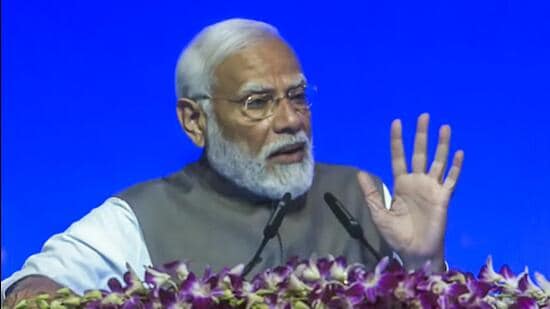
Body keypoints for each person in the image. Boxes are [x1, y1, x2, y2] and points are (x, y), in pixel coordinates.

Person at [1, 18, 464, 306]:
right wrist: (37, 295)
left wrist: (428, 263)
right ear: (194, 121)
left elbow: (428, 295)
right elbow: (30, 284)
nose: (290, 121)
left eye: (298, 97)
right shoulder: (138, 220)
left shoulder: (363, 199)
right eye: (258, 102)